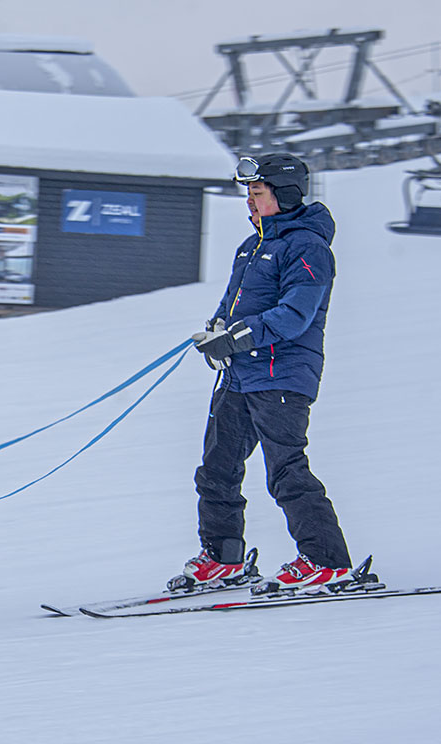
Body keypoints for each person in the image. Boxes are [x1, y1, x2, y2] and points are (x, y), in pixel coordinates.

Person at [170, 153, 353, 596]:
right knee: (216, 470)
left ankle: (328, 562)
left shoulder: (307, 247)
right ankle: (223, 558)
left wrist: (237, 338)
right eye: (247, 194)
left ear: (285, 194)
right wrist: (216, 331)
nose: (249, 203)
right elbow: (234, 305)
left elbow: (295, 315)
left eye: (257, 193)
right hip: (240, 375)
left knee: (286, 470)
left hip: (282, 376)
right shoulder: (252, 247)